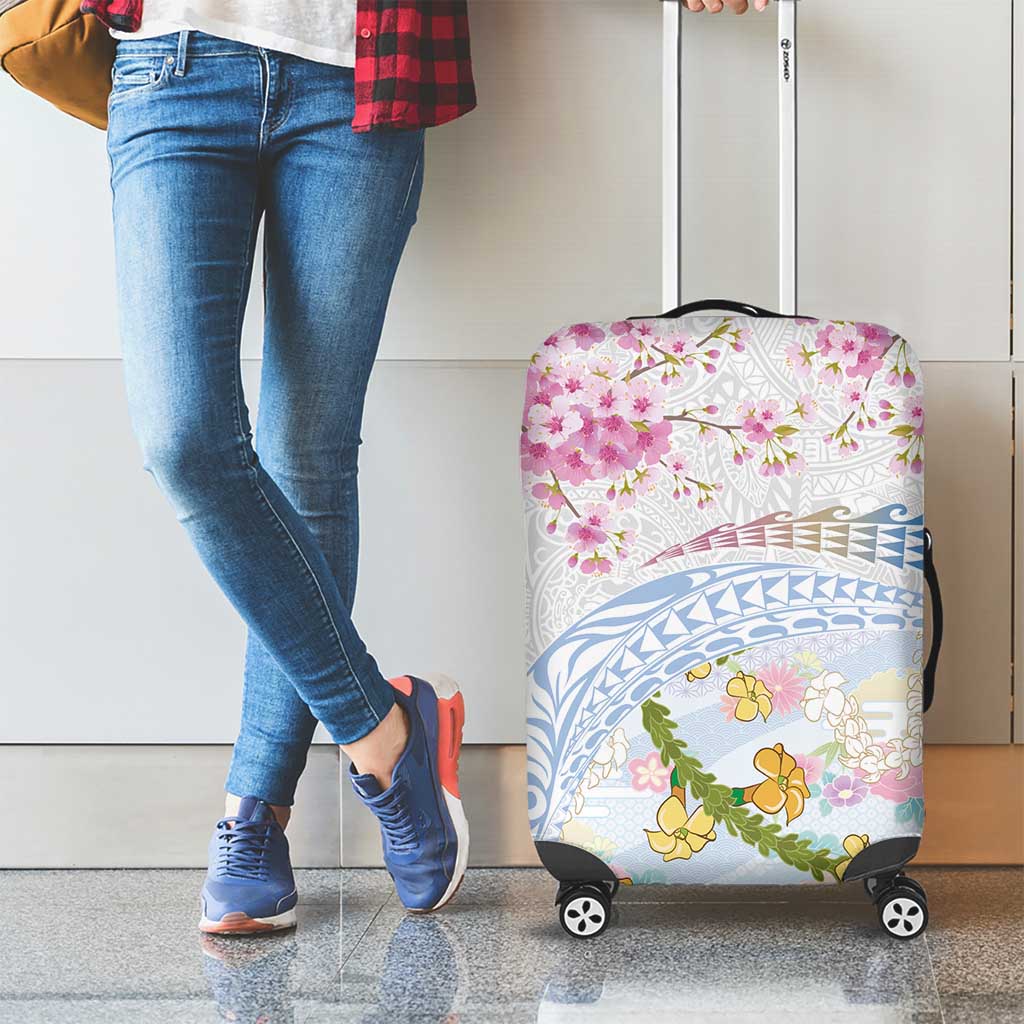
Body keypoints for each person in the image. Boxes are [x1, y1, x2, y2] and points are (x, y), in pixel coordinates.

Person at [82, 0, 474, 933]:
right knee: (184, 440)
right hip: (174, 69)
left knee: (308, 455)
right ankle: (386, 731)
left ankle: (254, 815)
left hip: (359, 80)